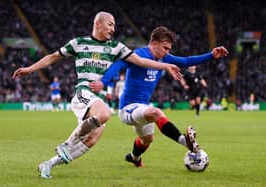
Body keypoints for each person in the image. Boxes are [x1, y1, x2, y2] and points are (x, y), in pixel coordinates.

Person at [12, 12, 182, 179]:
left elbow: (142, 61)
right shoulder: (79, 43)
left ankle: (48, 164)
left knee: (92, 138)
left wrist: (165, 66)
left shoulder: (116, 47)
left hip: (99, 98)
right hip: (84, 93)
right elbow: (53, 57)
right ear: (97, 24)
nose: (113, 29)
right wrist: (29, 69)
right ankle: (67, 144)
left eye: (114, 25)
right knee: (105, 114)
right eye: (110, 24)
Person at [90, 26, 228, 167]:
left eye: (169, 49)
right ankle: (185, 141)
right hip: (127, 108)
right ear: (154, 43)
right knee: (156, 112)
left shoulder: (164, 58)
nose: (167, 52)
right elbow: (118, 64)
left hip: (143, 108)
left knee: (147, 140)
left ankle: (134, 158)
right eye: (165, 48)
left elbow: (186, 61)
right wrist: (103, 82)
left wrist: (211, 55)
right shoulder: (138, 54)